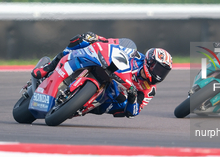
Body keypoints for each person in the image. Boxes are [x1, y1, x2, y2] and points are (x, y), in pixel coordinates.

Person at [32, 32, 173, 118]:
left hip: (112, 95)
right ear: (149, 62)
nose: (159, 74)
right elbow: (111, 44)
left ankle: (79, 106)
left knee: (121, 106)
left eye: (163, 72)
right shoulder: (135, 55)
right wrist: (96, 38)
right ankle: (49, 67)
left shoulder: (150, 90)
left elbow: (133, 112)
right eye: (158, 69)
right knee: (82, 40)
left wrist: (132, 96)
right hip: (106, 68)